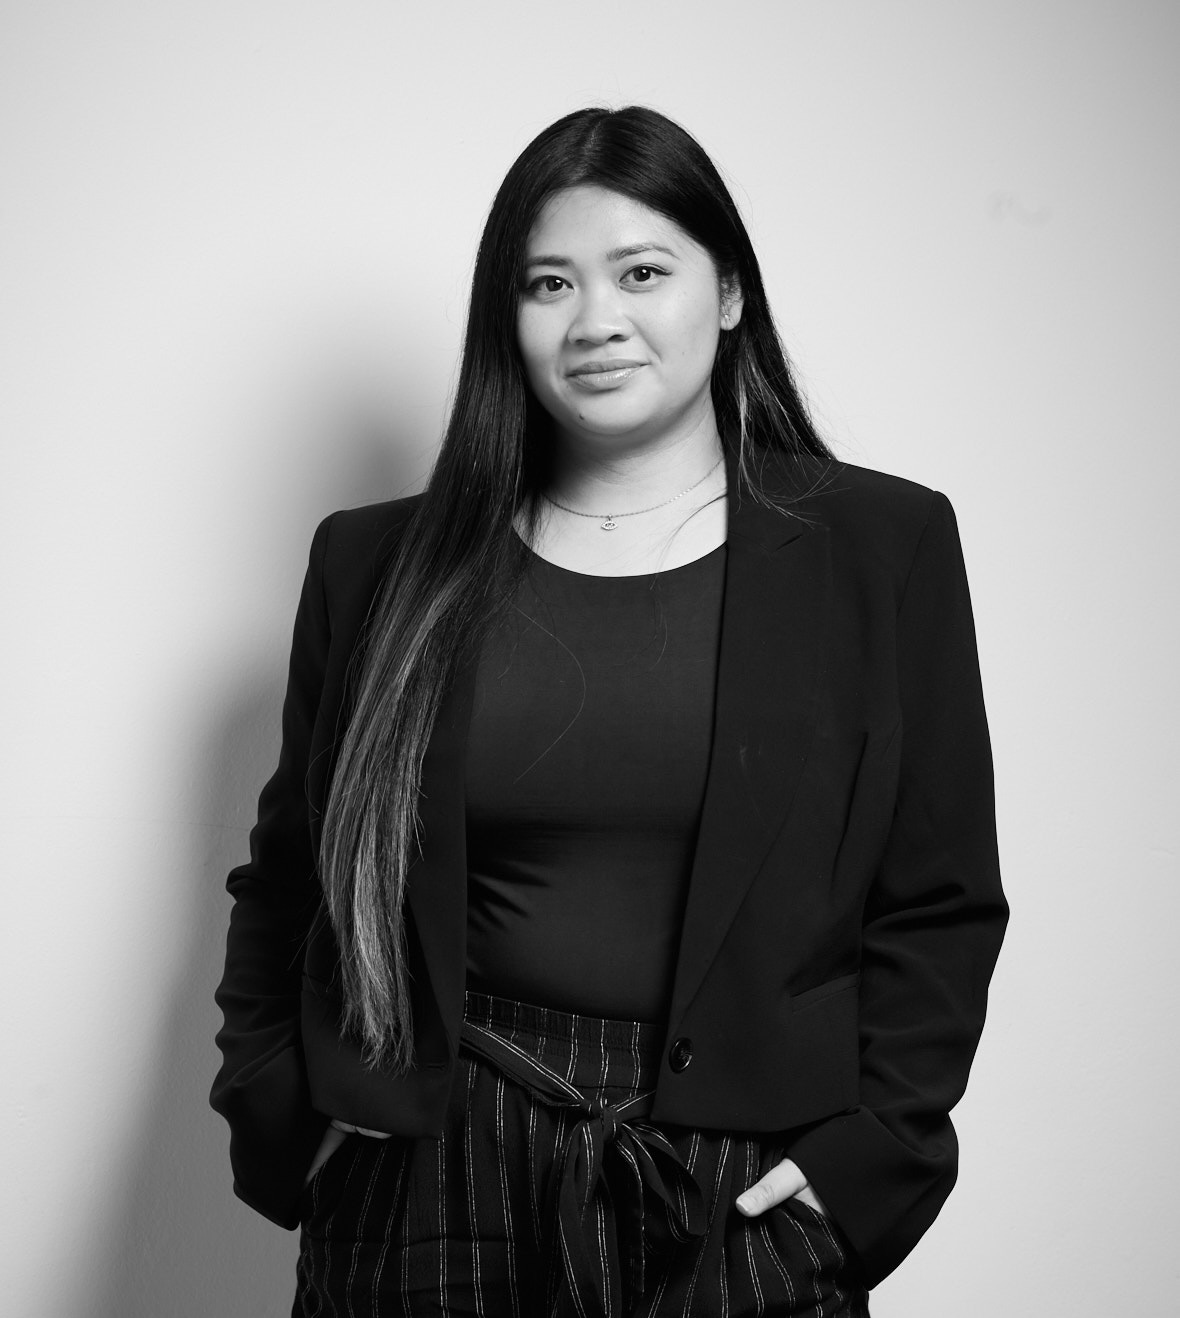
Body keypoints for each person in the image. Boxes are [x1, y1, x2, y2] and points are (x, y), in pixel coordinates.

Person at [211, 105, 1007, 1317]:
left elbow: (938, 898)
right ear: (508, 317)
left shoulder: (879, 547)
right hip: (425, 1169)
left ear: (726, 292)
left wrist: (863, 1171)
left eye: (641, 273)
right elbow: (287, 879)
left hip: (735, 1180)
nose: (595, 320)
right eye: (549, 283)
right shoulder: (376, 566)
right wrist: (283, 1111)